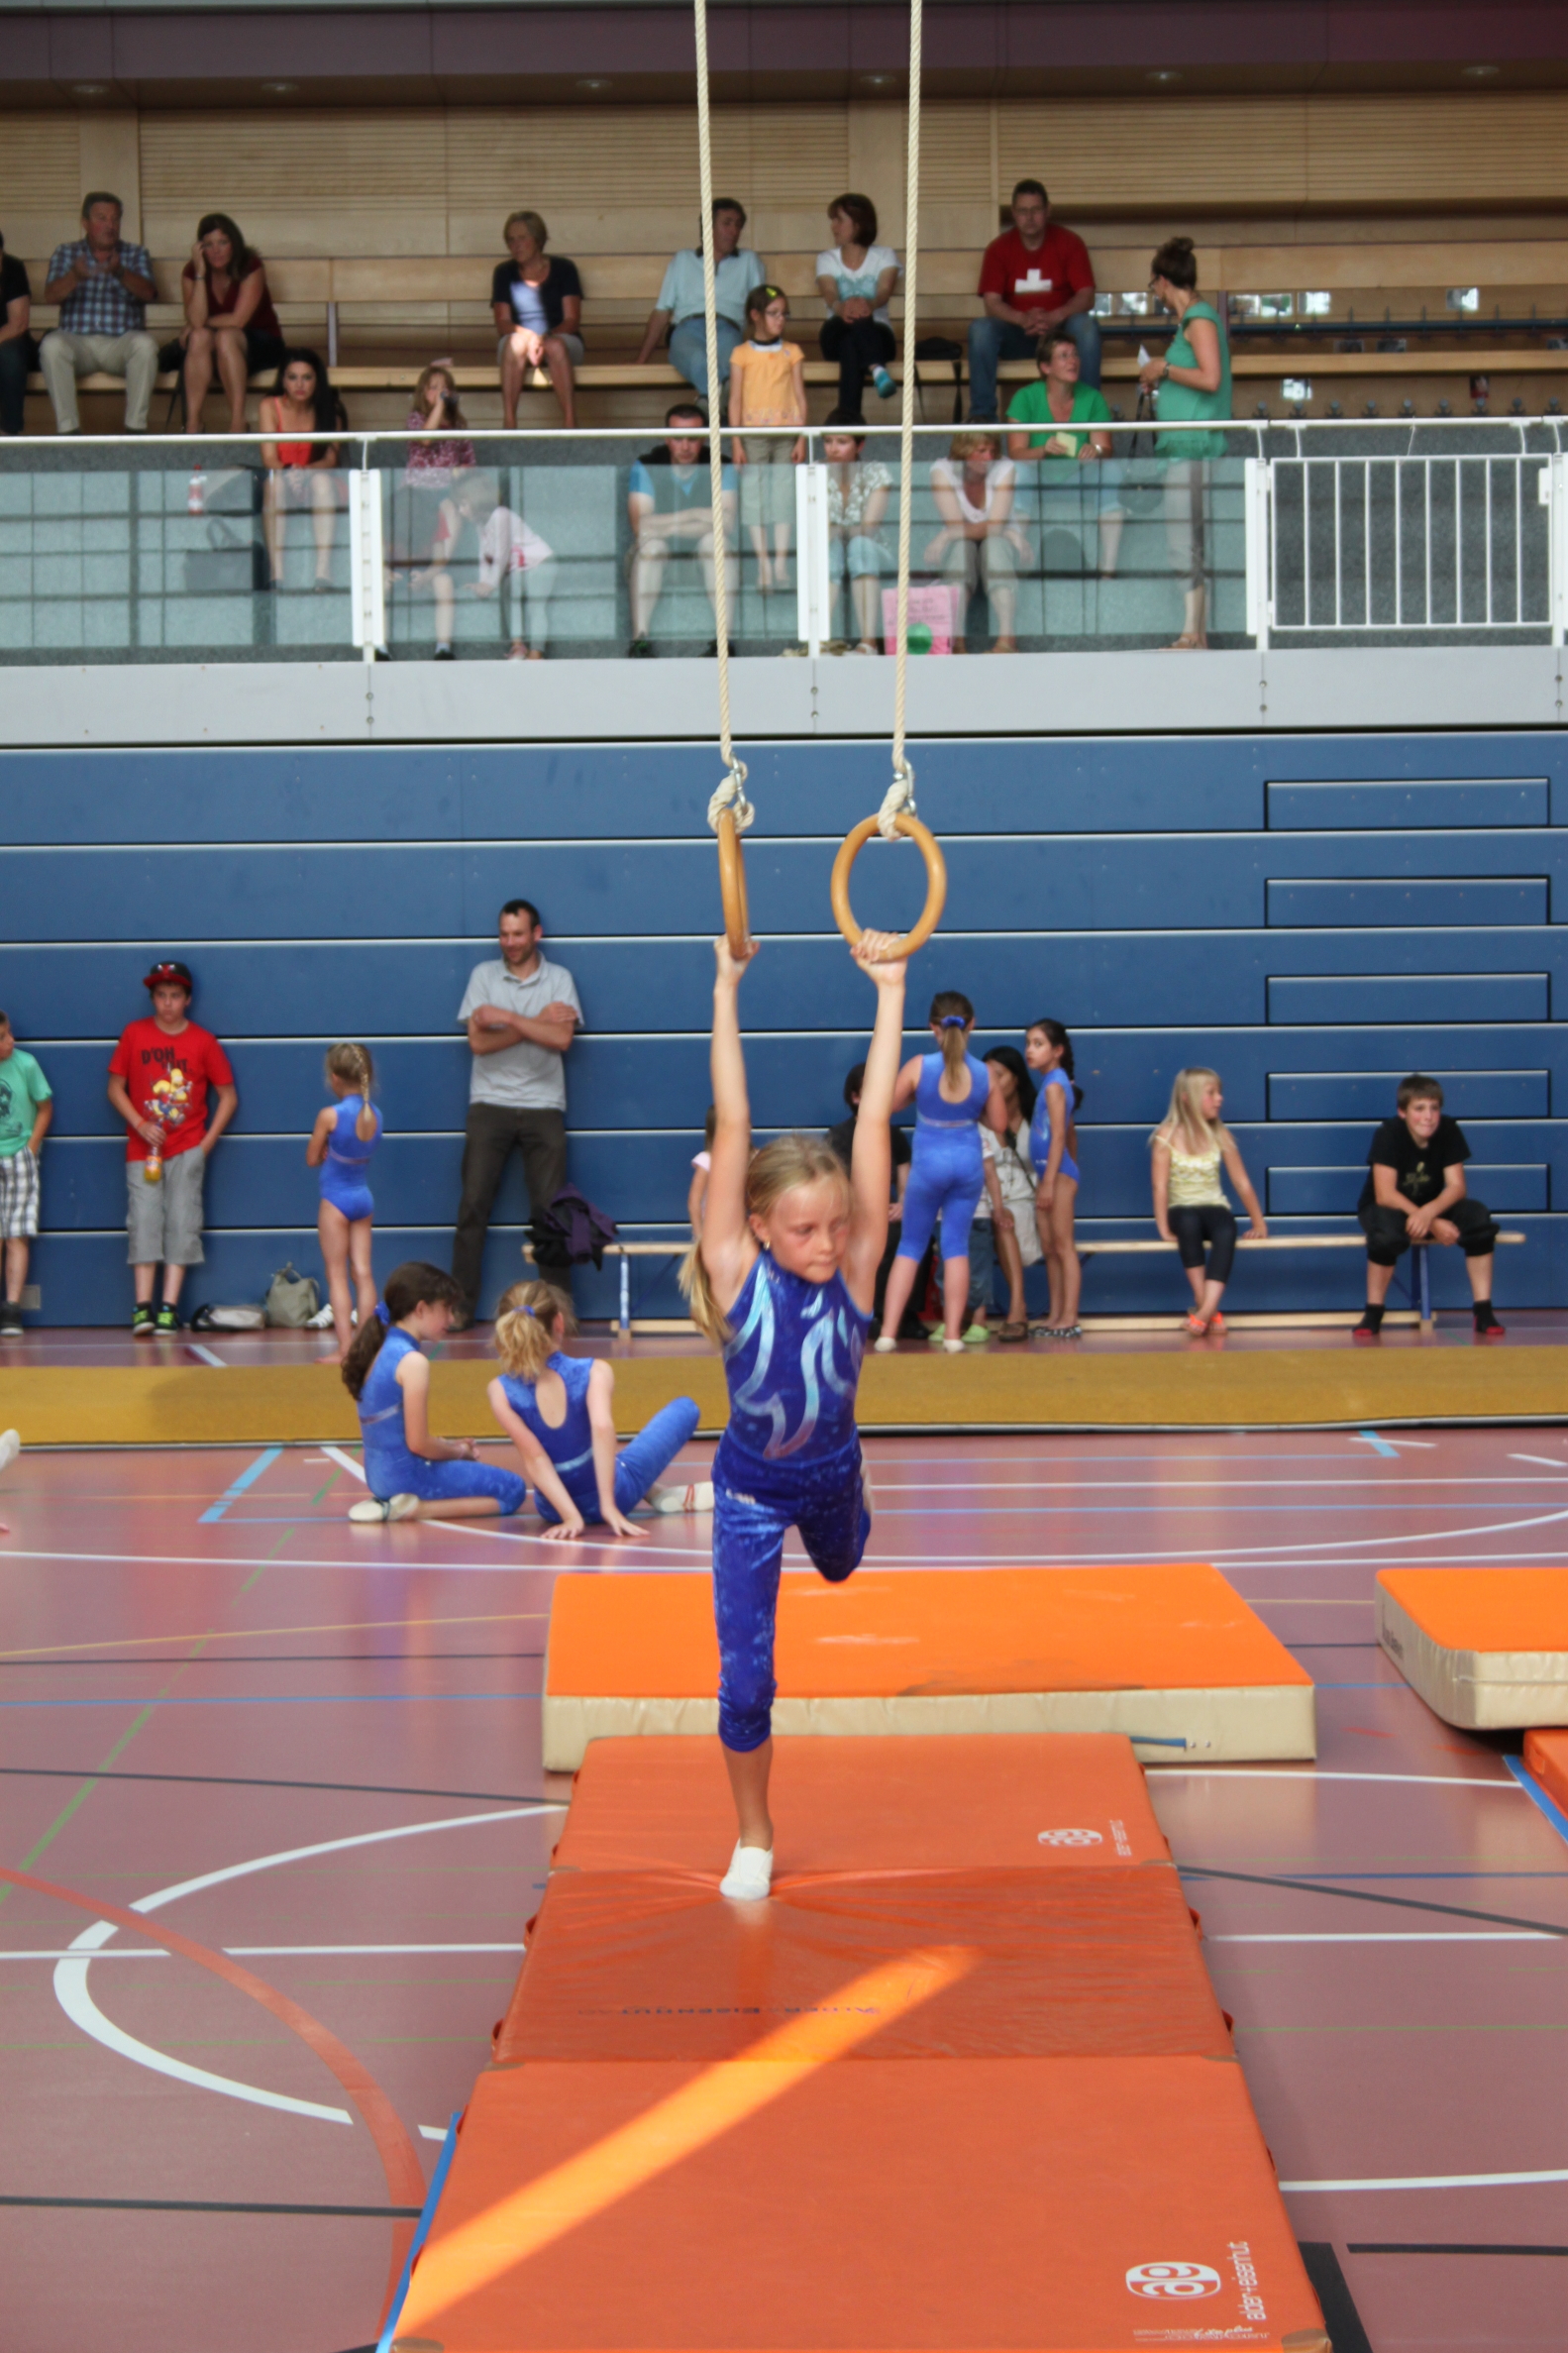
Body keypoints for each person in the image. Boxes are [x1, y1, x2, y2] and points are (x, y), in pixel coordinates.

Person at [679, 922, 906, 1900]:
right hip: (749, 1491)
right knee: (745, 1675)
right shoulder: (734, 1271)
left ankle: (855, 1485)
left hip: (831, 1474)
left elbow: (872, 1123)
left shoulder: (854, 1269)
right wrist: (725, 988)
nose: (825, 1242)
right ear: (757, 1228)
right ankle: (754, 1832)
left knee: (845, 1565)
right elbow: (733, 1121)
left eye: (836, 1225)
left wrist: (889, 993)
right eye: (804, 1228)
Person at [487, 1278, 713, 1537]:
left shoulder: (500, 1391)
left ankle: (654, 1492)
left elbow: (536, 1459)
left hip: (553, 1509)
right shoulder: (594, 1371)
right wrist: (608, 1506)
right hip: (616, 1496)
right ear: (559, 1322)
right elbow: (602, 1428)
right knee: (686, 1408)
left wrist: (570, 1517)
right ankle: (651, 1490)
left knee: (591, 1453)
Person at [452, 899, 582, 1325]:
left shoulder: (559, 979)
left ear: (536, 934)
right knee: (473, 1206)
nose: (509, 942)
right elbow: (479, 1044)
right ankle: (460, 1308)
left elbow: (562, 1039)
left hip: (544, 1106)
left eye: (518, 934)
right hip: (489, 1105)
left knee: (551, 1214)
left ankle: (556, 1314)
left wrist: (507, 1017)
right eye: (504, 934)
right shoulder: (482, 977)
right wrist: (535, 1022)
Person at [106, 959, 238, 1337]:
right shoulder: (134, 1034)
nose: (167, 1003)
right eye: (161, 995)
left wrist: (204, 1145)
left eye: (175, 995)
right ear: (152, 998)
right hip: (142, 1151)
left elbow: (228, 1097)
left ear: (188, 999)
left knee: (182, 1222)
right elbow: (114, 1088)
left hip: (186, 1148)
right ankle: (142, 1307)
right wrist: (140, 1123)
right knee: (144, 1221)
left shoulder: (203, 1042)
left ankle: (169, 1307)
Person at [342, 1262, 527, 1524]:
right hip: (406, 1478)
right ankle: (416, 1509)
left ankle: (402, 1503)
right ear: (421, 1309)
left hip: (379, 1477)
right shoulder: (412, 1362)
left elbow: (398, 1434)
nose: (451, 1319)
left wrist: (450, 1447)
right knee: (513, 1490)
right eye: (446, 1309)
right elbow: (418, 1444)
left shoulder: (379, 1348)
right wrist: (460, 1452)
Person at [875, 992, 1007, 1355]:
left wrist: (918, 1099)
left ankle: (887, 1333)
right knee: (955, 1246)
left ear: (932, 1027)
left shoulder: (920, 1066)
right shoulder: (985, 1073)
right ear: (972, 1024)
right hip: (967, 1164)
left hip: (928, 1165)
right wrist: (972, 1111)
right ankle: (952, 1335)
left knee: (911, 1245)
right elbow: (999, 1123)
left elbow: (887, 1105)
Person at [1356, 1075, 1504, 1342]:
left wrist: (1429, 1213)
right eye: (1419, 1108)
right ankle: (1373, 1312)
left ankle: (1483, 1311)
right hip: (1388, 1206)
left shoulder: (1448, 1130)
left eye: (1434, 1108)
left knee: (1478, 1218)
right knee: (1386, 1235)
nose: (1428, 1116)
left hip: (1432, 1205)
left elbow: (1457, 1187)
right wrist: (1430, 1221)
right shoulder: (1388, 1133)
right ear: (1403, 1112)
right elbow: (1385, 1194)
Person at [1138, 235, 1232, 651]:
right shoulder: (1192, 321)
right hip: (1185, 446)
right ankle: (1196, 634)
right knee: (1188, 542)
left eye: (1152, 285)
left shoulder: (1198, 319)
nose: (1155, 293)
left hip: (1193, 447)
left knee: (1183, 543)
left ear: (1162, 281)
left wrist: (1164, 369)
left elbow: (1210, 379)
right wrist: (1162, 377)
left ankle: (1192, 633)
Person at [968, 179, 1098, 423]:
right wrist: (1022, 319)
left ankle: (1089, 412)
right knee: (981, 329)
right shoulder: (998, 249)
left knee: (1086, 325)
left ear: (1048, 210)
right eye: (1023, 211)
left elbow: (1086, 295)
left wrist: (1055, 316)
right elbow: (991, 302)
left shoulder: (1070, 242)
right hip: (1018, 335)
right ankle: (982, 417)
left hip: (1060, 335)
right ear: (1013, 213)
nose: (1029, 217)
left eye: (1036, 210)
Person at [1150, 1067, 1267, 1337]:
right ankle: (1207, 1306)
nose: (1219, 1098)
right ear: (1187, 1097)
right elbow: (1159, 1186)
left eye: (1219, 1093)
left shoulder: (1220, 1134)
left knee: (1226, 1229)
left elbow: (1241, 1182)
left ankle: (1203, 1312)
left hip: (1214, 1206)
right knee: (1188, 1224)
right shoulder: (1166, 1135)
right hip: (1182, 1209)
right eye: (1211, 1093)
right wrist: (1163, 1228)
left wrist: (1259, 1223)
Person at [1006, 331, 1125, 578]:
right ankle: (1016, 560)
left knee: (1111, 471)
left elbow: (1106, 449)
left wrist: (1095, 451)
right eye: (1063, 356)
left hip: (1079, 480)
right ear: (1046, 367)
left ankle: (1108, 569)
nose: (1073, 361)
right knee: (1016, 472)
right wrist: (1042, 450)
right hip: (1038, 481)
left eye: (1075, 355)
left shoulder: (1092, 398)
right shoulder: (1025, 398)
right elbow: (1016, 453)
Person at [626, 402, 737, 657]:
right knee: (652, 547)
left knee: (714, 542)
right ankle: (640, 641)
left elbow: (727, 524)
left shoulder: (722, 464)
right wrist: (695, 514)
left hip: (703, 560)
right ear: (667, 439)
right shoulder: (647, 465)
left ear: (705, 439)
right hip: (661, 559)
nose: (685, 446)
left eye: (693, 438)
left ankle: (724, 640)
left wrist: (665, 525)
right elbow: (641, 527)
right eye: (678, 438)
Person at [636, 199, 767, 403]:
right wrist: (641, 360)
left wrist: (767, 352)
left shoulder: (749, 260)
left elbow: (761, 309)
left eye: (738, 225)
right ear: (708, 226)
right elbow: (662, 312)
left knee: (729, 363)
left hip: (729, 328)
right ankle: (721, 405)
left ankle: (708, 404)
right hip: (687, 328)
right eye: (727, 223)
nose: (734, 231)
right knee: (698, 361)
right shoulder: (683, 259)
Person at [827, 1058, 918, 1337]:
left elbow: (905, 1178)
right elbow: (835, 1184)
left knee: (915, 1239)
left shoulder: (895, 1135)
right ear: (856, 1097)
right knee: (874, 1241)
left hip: (885, 1211)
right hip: (851, 1213)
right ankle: (870, 1312)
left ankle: (906, 1314)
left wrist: (903, 1204)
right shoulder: (839, 1136)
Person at [172, 213, 285, 435]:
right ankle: (193, 424)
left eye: (223, 242)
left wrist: (198, 324)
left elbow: (238, 320)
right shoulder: (192, 271)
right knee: (199, 337)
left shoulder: (250, 265)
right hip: (215, 349)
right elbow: (196, 322)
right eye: (209, 244)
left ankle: (238, 423)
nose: (216, 250)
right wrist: (200, 274)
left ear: (234, 243)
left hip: (260, 343)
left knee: (224, 335)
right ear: (200, 248)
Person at [305, 1042, 381, 1363]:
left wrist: (324, 1146)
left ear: (334, 1078)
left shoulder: (330, 1115)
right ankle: (365, 1348)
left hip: (335, 1199)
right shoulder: (374, 1114)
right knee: (363, 1272)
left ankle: (346, 1349)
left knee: (336, 1274)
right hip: (362, 1197)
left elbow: (311, 1158)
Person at [393, 361, 476, 656]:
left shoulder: (459, 427)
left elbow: (470, 463)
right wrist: (440, 407)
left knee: (452, 509)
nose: (440, 393)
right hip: (416, 492)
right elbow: (426, 439)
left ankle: (436, 568)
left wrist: (462, 475)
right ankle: (405, 567)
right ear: (422, 393)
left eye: (445, 389)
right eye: (433, 388)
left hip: (444, 492)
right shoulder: (416, 419)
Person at [729, 283, 806, 595]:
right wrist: (736, 441)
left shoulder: (793, 351)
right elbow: (735, 399)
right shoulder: (741, 353)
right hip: (752, 434)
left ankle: (781, 562)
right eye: (773, 313)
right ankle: (763, 563)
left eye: (783, 314)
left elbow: (799, 395)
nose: (780, 319)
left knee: (784, 496)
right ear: (755, 315)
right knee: (754, 497)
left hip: (787, 434)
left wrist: (802, 436)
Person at [926, 431, 1028, 653]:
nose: (988, 457)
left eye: (992, 451)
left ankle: (1007, 640)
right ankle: (956, 640)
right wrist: (1000, 530)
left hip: (1000, 544)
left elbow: (994, 528)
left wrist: (947, 535)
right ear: (963, 451)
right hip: (962, 545)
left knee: (994, 545)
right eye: (981, 451)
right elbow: (956, 524)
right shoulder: (942, 470)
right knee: (962, 549)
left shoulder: (1005, 467)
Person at [966, 1044, 1037, 1343]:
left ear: (1016, 1078)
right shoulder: (973, 1117)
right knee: (1000, 1219)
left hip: (1027, 1199)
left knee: (1005, 1218)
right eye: (988, 1076)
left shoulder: (1036, 1114)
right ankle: (1017, 1309)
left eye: (999, 1075)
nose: (992, 1082)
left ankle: (1017, 1308)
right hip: (986, 1200)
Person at [259, 349, 346, 590]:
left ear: (317, 381)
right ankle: (277, 574)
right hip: (283, 476)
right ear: (283, 380)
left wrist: (305, 471)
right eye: (292, 377)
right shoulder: (269, 406)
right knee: (275, 482)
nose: (299, 384)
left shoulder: (330, 410)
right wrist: (290, 472)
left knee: (321, 482)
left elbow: (330, 459)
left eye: (307, 377)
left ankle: (323, 572)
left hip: (318, 478)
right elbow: (268, 458)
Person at [450, 469, 555, 660]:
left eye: (463, 504)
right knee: (511, 599)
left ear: (477, 499)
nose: (460, 511)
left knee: (536, 607)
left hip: (540, 562)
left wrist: (491, 583)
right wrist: (483, 581)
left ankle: (536, 651)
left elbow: (502, 552)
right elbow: (485, 555)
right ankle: (517, 646)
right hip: (518, 569)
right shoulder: (480, 524)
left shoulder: (501, 515)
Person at [492, 211, 582, 431]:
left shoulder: (564, 269)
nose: (516, 245)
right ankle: (509, 425)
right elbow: (503, 323)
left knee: (556, 346)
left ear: (538, 239)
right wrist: (530, 337)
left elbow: (571, 320)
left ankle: (570, 424)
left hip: (560, 337)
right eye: (511, 240)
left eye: (522, 238)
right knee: (515, 344)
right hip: (518, 340)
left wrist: (543, 339)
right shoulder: (503, 273)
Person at [815, 193, 899, 421]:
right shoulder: (826, 258)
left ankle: (847, 424)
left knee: (850, 344)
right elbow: (830, 294)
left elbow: (883, 292)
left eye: (839, 220)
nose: (833, 226)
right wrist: (841, 307)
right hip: (835, 330)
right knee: (849, 328)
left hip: (878, 334)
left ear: (859, 223)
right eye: (833, 220)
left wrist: (867, 304)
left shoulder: (885, 256)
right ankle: (877, 368)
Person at [1025, 1016, 1082, 1339]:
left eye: (1038, 1044)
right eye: (1028, 1044)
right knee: (1049, 1248)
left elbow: (1059, 1135)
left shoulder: (1056, 1085)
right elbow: (1069, 1133)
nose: (1030, 1050)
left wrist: (1051, 1180)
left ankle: (1069, 1317)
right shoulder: (1051, 1083)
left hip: (1055, 1175)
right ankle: (1056, 1314)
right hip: (1049, 1173)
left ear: (1057, 1050)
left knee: (1063, 1245)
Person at [0, 1012, 52, 1336]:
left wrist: (30, 1148)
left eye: (9, 1033)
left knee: (16, 1234)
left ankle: (12, 1309)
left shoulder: (26, 1065)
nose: (11, 1040)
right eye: (3, 1037)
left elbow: (45, 1107)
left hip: (19, 1155)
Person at [821, 413, 889, 653]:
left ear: (859, 446)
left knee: (859, 545)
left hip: (874, 552)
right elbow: (817, 531)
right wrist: (838, 532)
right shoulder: (815, 472)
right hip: (833, 550)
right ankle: (820, 641)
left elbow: (868, 528)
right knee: (831, 550)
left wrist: (836, 530)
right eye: (828, 441)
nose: (833, 449)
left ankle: (868, 641)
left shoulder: (876, 472)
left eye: (842, 442)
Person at [0, 231, 38, 439]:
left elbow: (18, 324)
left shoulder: (12, 268)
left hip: (10, 341)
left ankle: (8, 433)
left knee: (10, 355)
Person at [688, 1105, 718, 1236]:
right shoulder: (707, 1160)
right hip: (713, 1231)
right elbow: (694, 1202)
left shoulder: (750, 1158)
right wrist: (699, 1236)